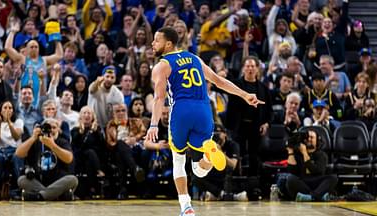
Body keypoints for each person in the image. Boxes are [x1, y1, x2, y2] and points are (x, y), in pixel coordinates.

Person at [145, 27, 264, 216]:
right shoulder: (194, 58)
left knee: (178, 160)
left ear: (168, 44)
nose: (152, 43)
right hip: (203, 110)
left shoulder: (162, 65)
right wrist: (244, 94)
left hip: (182, 111)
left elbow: (159, 98)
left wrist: (153, 125)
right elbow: (217, 81)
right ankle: (209, 155)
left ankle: (186, 207)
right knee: (199, 170)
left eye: (156, 40)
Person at [15, 118, 78, 201]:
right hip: (39, 182)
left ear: (58, 130)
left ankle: (39, 196)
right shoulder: (36, 141)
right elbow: (19, 153)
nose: (51, 130)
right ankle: (55, 195)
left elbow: (69, 159)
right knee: (21, 180)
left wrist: (52, 145)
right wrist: (33, 137)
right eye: (48, 127)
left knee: (73, 179)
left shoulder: (62, 141)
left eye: (54, 127)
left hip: (58, 181)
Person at [285, 130, 338, 201]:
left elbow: (317, 171)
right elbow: (292, 171)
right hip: (303, 182)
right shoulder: (298, 154)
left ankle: (311, 197)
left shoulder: (322, 155)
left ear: (317, 141)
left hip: (317, 182)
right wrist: (290, 152)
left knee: (333, 178)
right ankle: (318, 196)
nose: (309, 139)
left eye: (312, 137)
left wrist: (304, 153)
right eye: (307, 137)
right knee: (290, 179)